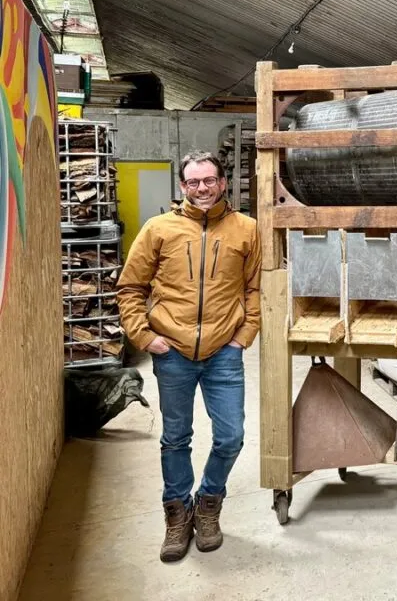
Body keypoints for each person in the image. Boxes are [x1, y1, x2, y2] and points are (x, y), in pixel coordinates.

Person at [117, 150, 261, 563]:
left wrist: (243, 335)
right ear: (182, 186)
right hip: (173, 352)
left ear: (222, 183)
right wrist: (146, 337)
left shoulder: (246, 230)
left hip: (224, 353)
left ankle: (209, 502)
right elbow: (131, 288)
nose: (202, 189)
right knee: (175, 438)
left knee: (231, 436)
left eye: (209, 180)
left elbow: (255, 289)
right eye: (194, 182)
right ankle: (177, 515)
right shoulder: (158, 229)